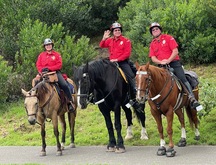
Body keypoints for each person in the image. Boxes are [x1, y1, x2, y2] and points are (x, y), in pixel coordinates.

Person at [148, 22, 203, 111]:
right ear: (151, 32)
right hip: (161, 66)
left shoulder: (169, 38)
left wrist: (168, 60)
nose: (155, 31)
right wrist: (161, 62)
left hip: (174, 63)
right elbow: (153, 58)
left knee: (182, 78)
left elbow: (175, 51)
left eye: (156, 29)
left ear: (160, 30)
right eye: (153, 30)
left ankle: (191, 98)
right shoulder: (152, 44)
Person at [99, 22, 143, 111]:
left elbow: (127, 54)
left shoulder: (126, 40)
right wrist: (104, 38)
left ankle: (135, 99)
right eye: (115, 30)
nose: (117, 31)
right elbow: (102, 45)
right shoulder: (110, 40)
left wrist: (117, 59)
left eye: (119, 30)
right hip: (111, 64)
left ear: (121, 31)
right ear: (113, 32)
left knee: (131, 77)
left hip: (123, 63)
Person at [36, 38, 75, 112]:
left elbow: (59, 65)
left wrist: (49, 68)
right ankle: (36, 105)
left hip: (55, 73)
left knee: (64, 85)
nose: (48, 46)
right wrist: (41, 70)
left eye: (49, 44)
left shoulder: (57, 54)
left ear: (52, 45)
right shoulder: (41, 55)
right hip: (43, 74)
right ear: (44, 46)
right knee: (36, 85)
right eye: (47, 45)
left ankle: (69, 102)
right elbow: (38, 65)